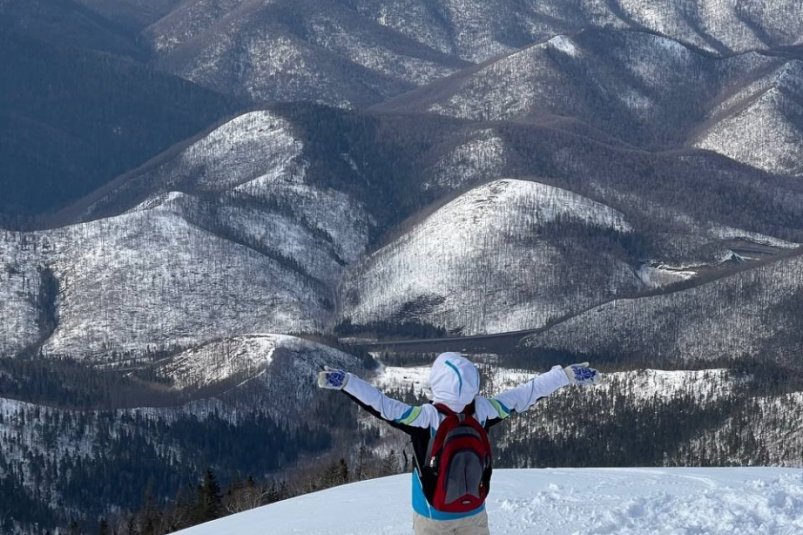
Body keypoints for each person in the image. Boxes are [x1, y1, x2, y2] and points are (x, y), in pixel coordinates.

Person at [317, 352, 600, 535]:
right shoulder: (485, 411)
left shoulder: (424, 418)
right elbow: (528, 393)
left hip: (431, 515)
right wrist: (565, 376)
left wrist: (347, 382)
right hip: (473, 510)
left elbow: (380, 404)